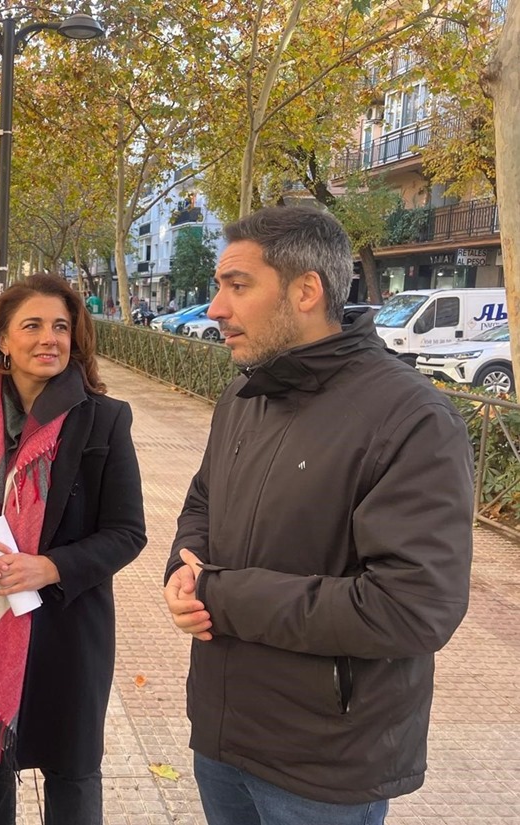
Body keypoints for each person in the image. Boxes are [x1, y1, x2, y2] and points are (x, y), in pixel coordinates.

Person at [163, 206, 474, 825]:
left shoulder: (411, 419)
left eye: (237, 285)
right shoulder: (245, 393)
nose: (216, 308)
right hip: (223, 735)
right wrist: (183, 564)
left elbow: (414, 608)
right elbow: (204, 499)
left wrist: (221, 596)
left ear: (307, 290)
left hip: (324, 767)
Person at [0, 273, 146, 825]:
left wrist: (50, 567)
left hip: (65, 625)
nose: (50, 338)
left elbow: (127, 531)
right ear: (3, 340)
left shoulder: (104, 420)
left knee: (72, 772)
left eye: (61, 326)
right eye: (33, 325)